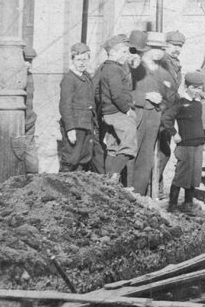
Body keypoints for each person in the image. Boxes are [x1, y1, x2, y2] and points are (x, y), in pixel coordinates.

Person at [128, 31, 174, 198]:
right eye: (154, 48)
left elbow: (171, 94)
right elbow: (123, 93)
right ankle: (127, 191)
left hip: (155, 116)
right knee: (132, 153)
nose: (158, 52)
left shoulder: (163, 71)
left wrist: (163, 103)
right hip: (137, 113)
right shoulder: (135, 67)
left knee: (147, 157)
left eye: (161, 49)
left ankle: (140, 194)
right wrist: (145, 96)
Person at [95, 34, 139, 182]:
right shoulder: (115, 69)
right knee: (129, 144)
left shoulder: (105, 68)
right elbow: (117, 94)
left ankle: (107, 181)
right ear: (113, 52)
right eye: (124, 52)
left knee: (113, 148)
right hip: (118, 113)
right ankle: (114, 177)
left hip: (108, 114)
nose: (126, 56)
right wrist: (127, 110)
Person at [167, 71, 205, 215]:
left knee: (194, 175)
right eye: (194, 88)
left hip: (198, 144)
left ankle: (188, 203)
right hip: (185, 145)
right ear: (186, 87)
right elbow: (166, 119)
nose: (197, 91)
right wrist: (174, 133)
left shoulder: (198, 104)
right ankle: (172, 205)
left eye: (200, 88)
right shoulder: (180, 103)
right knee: (182, 174)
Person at [154, 29, 186, 196]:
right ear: (166, 45)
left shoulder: (175, 64)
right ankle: (153, 185)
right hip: (159, 112)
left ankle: (156, 183)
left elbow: (173, 89)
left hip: (168, 114)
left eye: (180, 46)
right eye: (174, 45)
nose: (177, 49)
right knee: (159, 150)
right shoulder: (161, 62)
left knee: (164, 150)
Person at [58, 42, 97, 172]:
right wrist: (70, 129)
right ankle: (60, 188)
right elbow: (65, 106)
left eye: (85, 59)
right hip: (75, 126)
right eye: (78, 60)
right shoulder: (69, 79)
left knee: (84, 159)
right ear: (72, 60)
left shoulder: (86, 77)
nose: (82, 63)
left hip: (86, 125)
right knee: (71, 159)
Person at [18, 44, 42, 175]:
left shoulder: (28, 76)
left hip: (28, 121)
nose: (28, 64)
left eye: (30, 61)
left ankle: (32, 180)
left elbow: (29, 101)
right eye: (25, 60)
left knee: (31, 158)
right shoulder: (16, 77)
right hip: (18, 122)